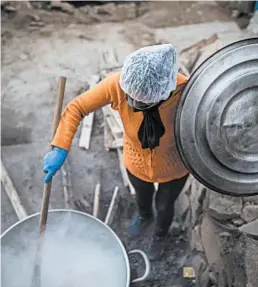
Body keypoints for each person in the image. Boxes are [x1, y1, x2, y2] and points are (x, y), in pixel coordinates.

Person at [42, 44, 190, 261]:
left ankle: (160, 235)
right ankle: (144, 215)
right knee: (142, 195)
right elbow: (77, 108)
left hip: (175, 164)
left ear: (164, 92)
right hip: (135, 161)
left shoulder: (185, 91)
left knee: (166, 204)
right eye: (131, 97)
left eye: (143, 102)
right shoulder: (119, 84)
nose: (132, 103)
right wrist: (60, 146)